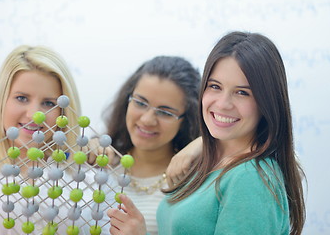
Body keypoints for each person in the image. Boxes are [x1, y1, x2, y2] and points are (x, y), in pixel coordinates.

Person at [107, 31, 306, 235]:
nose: (222, 104)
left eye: (242, 92)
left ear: (267, 102)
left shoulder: (250, 177)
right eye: (215, 86)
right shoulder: (210, 163)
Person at [0, 45, 101, 235]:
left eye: (48, 103)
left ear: (64, 111)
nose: (35, 115)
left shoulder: (90, 179)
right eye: (21, 98)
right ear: (1, 101)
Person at [100, 56, 201, 235]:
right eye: (140, 103)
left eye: (165, 112)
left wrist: (205, 142)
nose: (147, 120)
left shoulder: (193, 184)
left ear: (186, 121)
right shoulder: (101, 163)